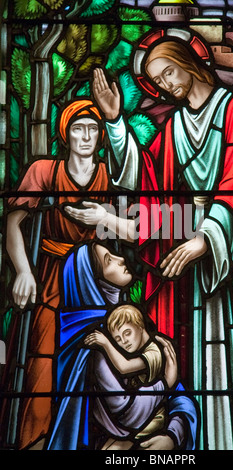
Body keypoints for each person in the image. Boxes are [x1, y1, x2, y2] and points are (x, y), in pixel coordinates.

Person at [89, 30, 233, 449]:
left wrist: (204, 240)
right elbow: (146, 181)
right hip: (188, 273)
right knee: (193, 348)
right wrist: (113, 121)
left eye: (167, 72)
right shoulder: (176, 125)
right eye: (159, 82)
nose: (166, 85)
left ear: (188, 61)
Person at [5, 99, 109, 450]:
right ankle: (35, 441)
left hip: (92, 281)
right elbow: (14, 223)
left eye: (92, 129)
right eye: (78, 129)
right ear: (65, 134)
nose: (85, 136)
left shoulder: (108, 175)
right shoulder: (44, 171)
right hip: (51, 276)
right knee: (41, 360)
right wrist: (23, 270)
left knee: (95, 361)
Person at [47, 241, 199, 450]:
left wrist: (174, 434)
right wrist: (164, 386)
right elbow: (129, 414)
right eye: (109, 261)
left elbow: (177, 396)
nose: (121, 259)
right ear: (92, 281)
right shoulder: (94, 344)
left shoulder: (128, 325)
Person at [84, 304, 174, 450]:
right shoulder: (143, 350)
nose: (124, 341)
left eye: (127, 333)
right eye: (118, 339)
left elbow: (124, 367)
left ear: (140, 326)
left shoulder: (154, 351)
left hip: (151, 418)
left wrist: (106, 343)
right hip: (139, 413)